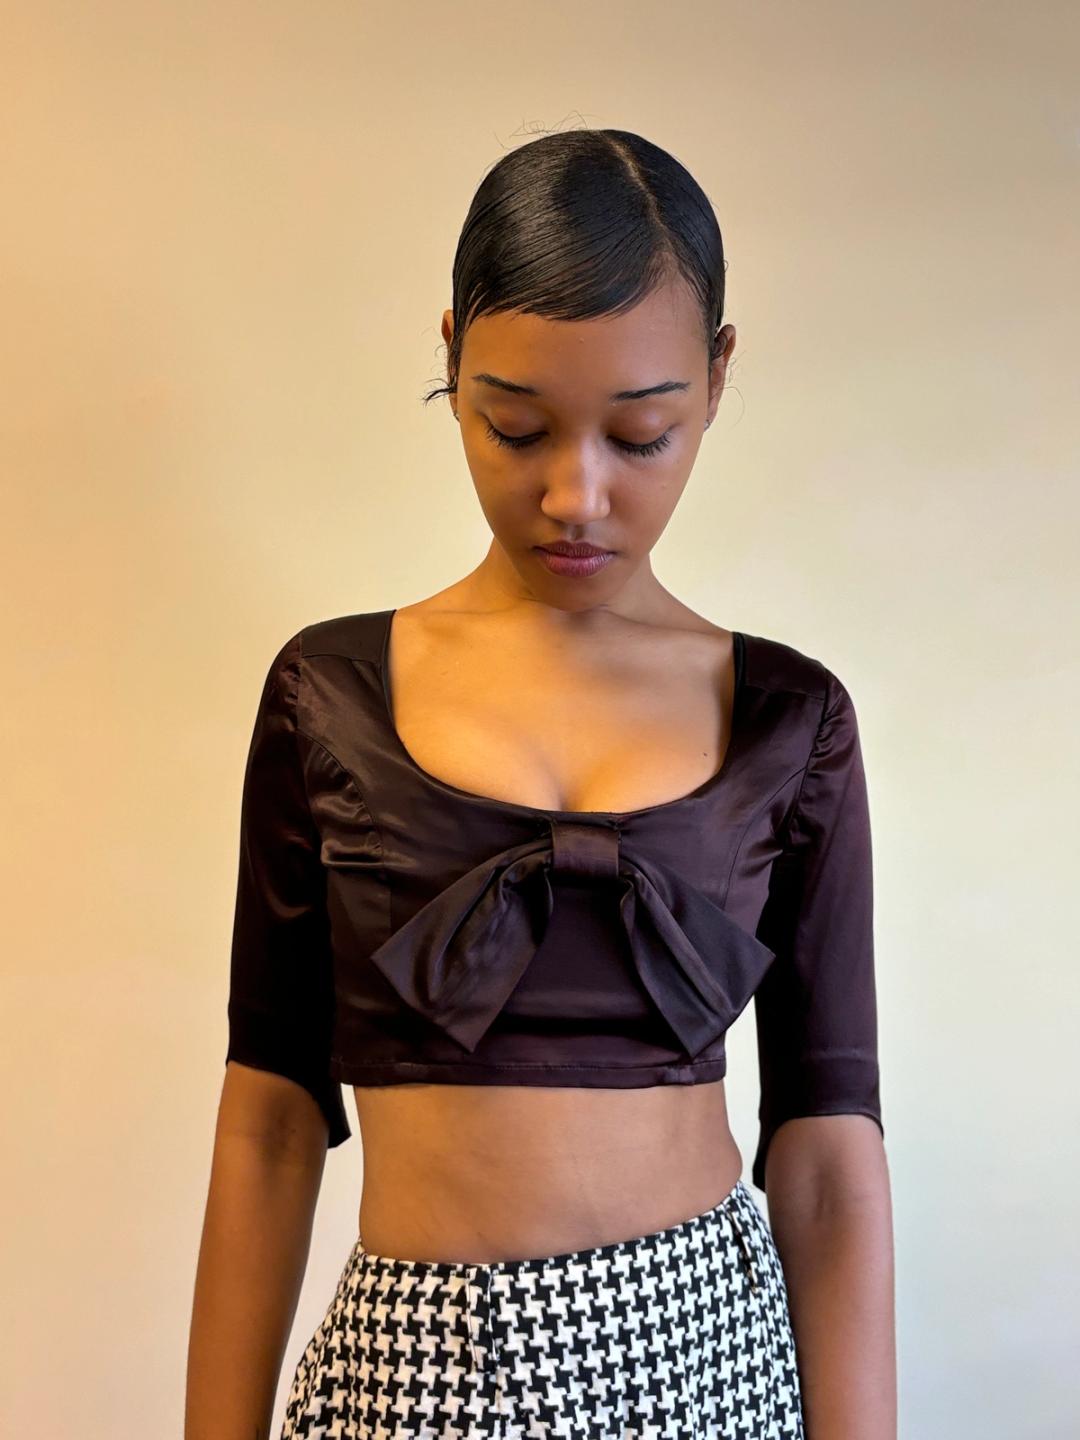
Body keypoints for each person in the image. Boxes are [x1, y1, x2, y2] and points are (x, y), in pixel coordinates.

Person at [185, 128, 896, 1440]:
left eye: (642, 434)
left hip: (705, 1362)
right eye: (515, 426)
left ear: (718, 376)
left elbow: (827, 1152)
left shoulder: (790, 721)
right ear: (451, 354)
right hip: (409, 1375)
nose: (576, 495)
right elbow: (271, 1117)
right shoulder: (328, 695)